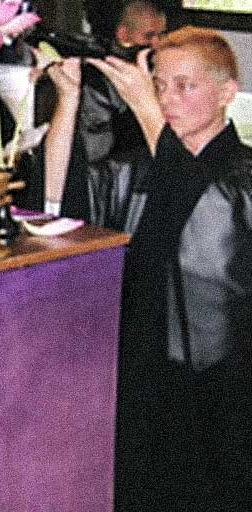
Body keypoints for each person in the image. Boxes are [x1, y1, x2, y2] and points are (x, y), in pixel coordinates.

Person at [44, 27, 252, 511]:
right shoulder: (140, 169)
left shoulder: (242, 178)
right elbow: (60, 200)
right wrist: (68, 100)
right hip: (140, 380)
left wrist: (145, 109)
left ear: (227, 93)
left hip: (218, 393)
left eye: (185, 86)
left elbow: (204, 208)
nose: (168, 99)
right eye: (159, 85)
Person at [79, 0, 168, 162]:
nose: (157, 44)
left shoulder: (162, 69)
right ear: (123, 34)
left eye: (161, 35)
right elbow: (95, 148)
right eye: (148, 36)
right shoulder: (99, 78)